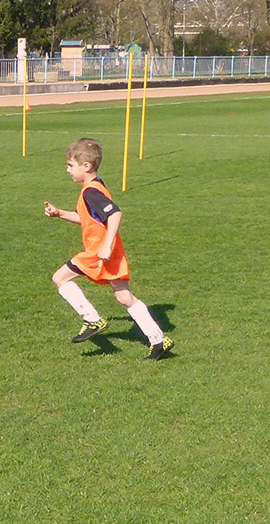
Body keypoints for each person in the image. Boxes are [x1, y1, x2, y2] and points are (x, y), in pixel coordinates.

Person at [42, 138, 173, 360]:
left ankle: (92, 319)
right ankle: (159, 340)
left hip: (98, 252)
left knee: (60, 278)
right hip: (110, 252)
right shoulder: (95, 187)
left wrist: (106, 244)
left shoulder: (91, 192)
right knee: (123, 296)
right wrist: (60, 213)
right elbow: (87, 218)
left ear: (86, 166)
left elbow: (115, 214)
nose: (68, 170)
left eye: (70, 165)